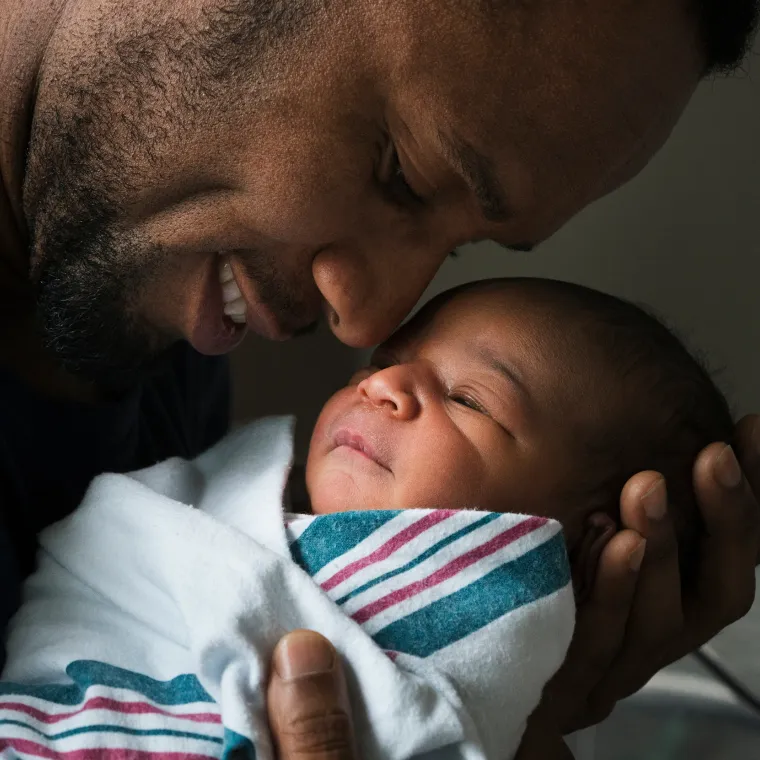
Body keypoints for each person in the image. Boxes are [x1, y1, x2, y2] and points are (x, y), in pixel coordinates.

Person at [1, 0, 759, 756]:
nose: (366, 327)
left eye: (457, 249)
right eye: (402, 174)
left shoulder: (163, 359)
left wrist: (469, 699)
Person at [0, 279, 741, 760]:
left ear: (573, 545)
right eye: (382, 364)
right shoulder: (215, 503)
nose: (381, 383)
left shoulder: (469, 689)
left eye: (470, 400)